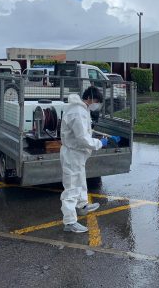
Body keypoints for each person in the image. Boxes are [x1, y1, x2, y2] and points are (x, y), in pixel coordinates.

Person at [60, 86, 108, 233]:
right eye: (97, 101)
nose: (97, 105)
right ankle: (69, 222)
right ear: (90, 98)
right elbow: (82, 138)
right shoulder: (78, 112)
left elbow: (84, 133)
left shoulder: (82, 109)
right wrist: (100, 143)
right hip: (72, 153)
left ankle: (82, 205)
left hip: (77, 154)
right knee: (71, 187)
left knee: (80, 180)